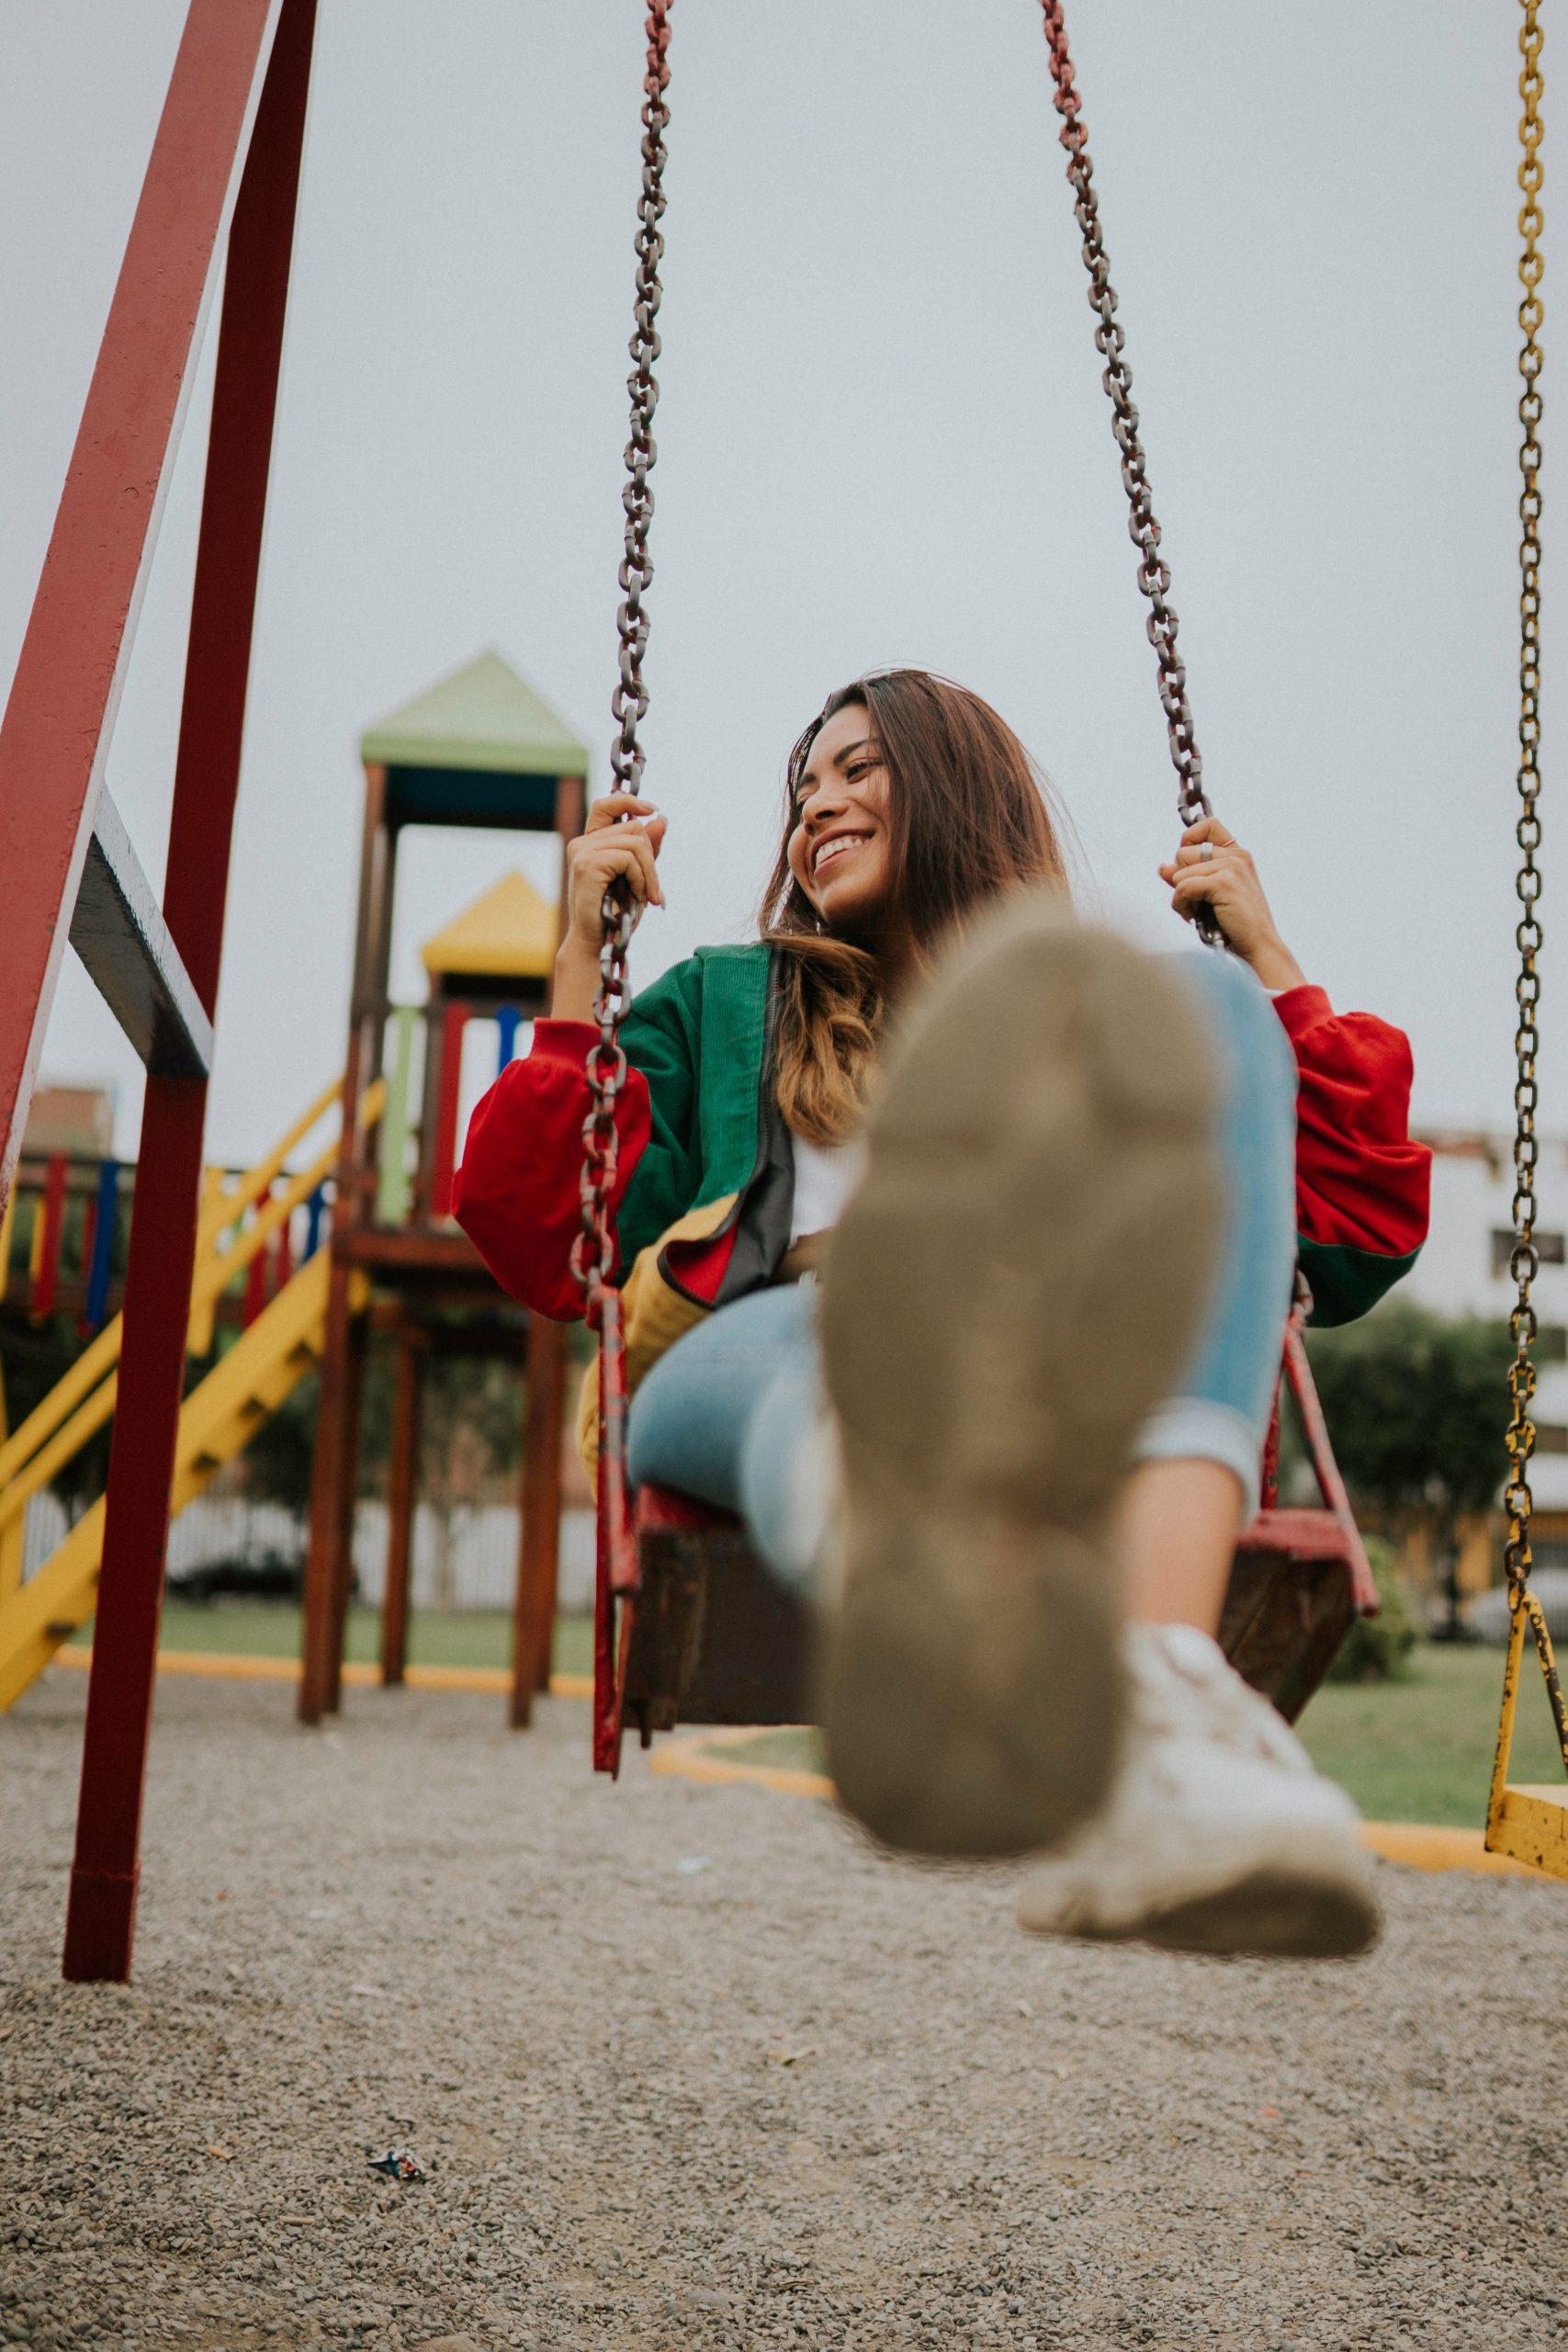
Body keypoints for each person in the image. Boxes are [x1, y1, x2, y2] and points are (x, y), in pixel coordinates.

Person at [457, 670, 1430, 1957]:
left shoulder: (1100, 1026)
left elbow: (1354, 1238)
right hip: (753, 1344)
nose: (820, 806)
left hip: (1030, 1377)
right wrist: (581, 953)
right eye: (806, 787)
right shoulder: (727, 1001)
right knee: (840, 1349)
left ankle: (1161, 1694)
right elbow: (541, 1232)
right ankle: (947, 1629)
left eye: (859, 770)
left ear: (955, 785)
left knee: (1210, 1017)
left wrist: (1265, 958)